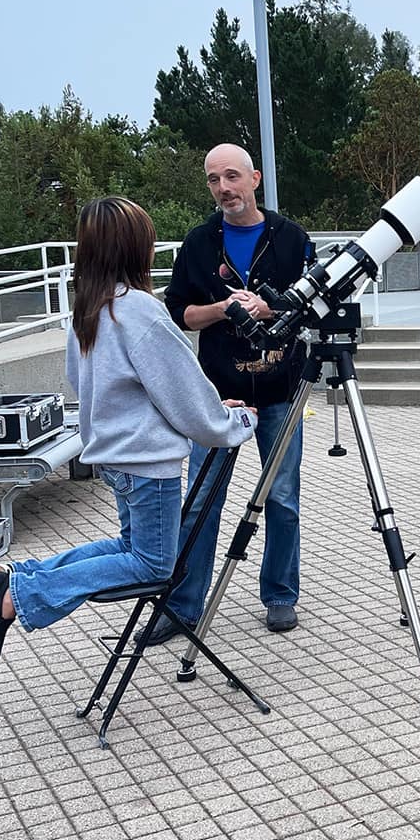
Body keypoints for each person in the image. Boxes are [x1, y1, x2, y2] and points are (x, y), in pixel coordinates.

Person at [0, 197, 258, 667]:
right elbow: (184, 394)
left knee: (129, 549)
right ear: (133, 248)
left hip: (114, 458)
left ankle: (17, 578)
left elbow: (102, 385)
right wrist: (234, 422)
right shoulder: (138, 309)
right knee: (152, 565)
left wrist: (203, 409)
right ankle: (17, 595)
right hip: (147, 464)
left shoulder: (89, 309)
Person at [150, 145, 312, 644]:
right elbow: (179, 314)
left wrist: (268, 310)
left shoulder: (292, 239)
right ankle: (184, 605)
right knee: (201, 502)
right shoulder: (198, 244)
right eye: (214, 180)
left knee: (282, 498)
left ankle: (281, 595)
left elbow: (309, 311)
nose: (224, 188)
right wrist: (224, 308)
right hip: (216, 396)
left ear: (255, 179)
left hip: (282, 390)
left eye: (233, 177)